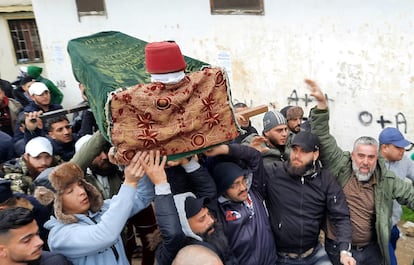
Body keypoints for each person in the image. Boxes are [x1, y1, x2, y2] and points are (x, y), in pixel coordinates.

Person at [307, 79, 414, 265]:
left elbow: (409, 195)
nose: (365, 162)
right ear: (353, 155)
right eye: (361, 156)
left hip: (373, 249)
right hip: (339, 249)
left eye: (370, 157)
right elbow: (322, 136)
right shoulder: (340, 165)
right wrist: (322, 106)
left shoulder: (385, 178)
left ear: (377, 157)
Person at [41, 154, 154, 265]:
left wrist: (130, 162)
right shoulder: (60, 236)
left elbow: (142, 196)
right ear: (57, 203)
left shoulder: (102, 209)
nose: (81, 192)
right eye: (70, 191)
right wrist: (129, 182)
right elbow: (105, 235)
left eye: (80, 184)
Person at [264, 131, 355, 265]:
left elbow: (341, 216)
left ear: (315, 154)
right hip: (281, 257)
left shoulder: (325, 180)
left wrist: (344, 252)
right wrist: (251, 152)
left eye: (304, 151)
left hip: (313, 253)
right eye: (295, 150)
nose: (297, 155)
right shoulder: (274, 172)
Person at [139, 150, 237, 265]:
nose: (210, 220)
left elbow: (208, 191)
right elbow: (172, 233)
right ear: (182, 225)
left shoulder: (211, 231)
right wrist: (160, 184)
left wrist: (186, 161)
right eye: (202, 219)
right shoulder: (174, 249)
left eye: (208, 215)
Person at [206, 143, 277, 265]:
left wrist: (225, 149)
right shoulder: (219, 212)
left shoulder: (255, 191)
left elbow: (255, 157)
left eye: (243, 180)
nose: (243, 187)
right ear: (224, 189)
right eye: (234, 185)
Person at [378, 127, 414, 265]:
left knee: (394, 237)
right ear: (384, 147)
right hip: (378, 226)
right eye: (398, 147)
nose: (403, 150)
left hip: (393, 222)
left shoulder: (404, 161)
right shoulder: (371, 163)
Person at [0, 206, 73, 265]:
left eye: (37, 234)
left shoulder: (55, 262)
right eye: (27, 240)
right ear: (1, 250)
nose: (40, 242)